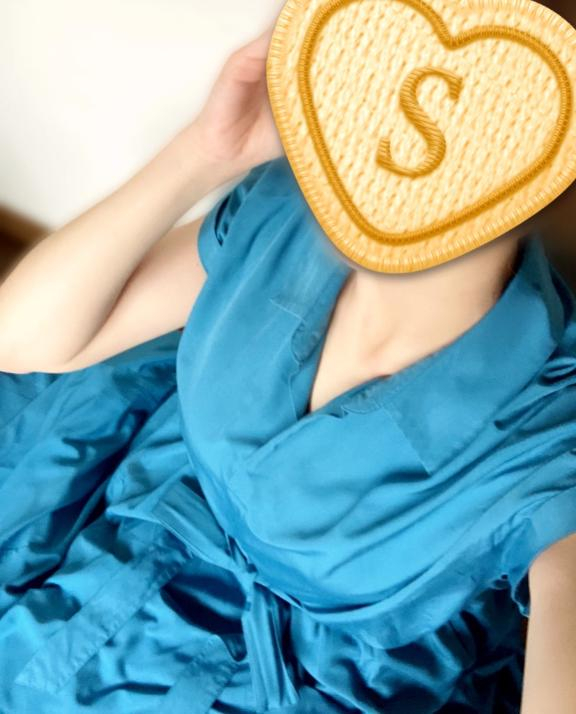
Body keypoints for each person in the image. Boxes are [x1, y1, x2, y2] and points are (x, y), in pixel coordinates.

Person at [0, 5, 575, 712]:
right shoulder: (288, 216)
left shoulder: (552, 436)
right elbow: (22, 340)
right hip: (100, 580)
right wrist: (206, 154)